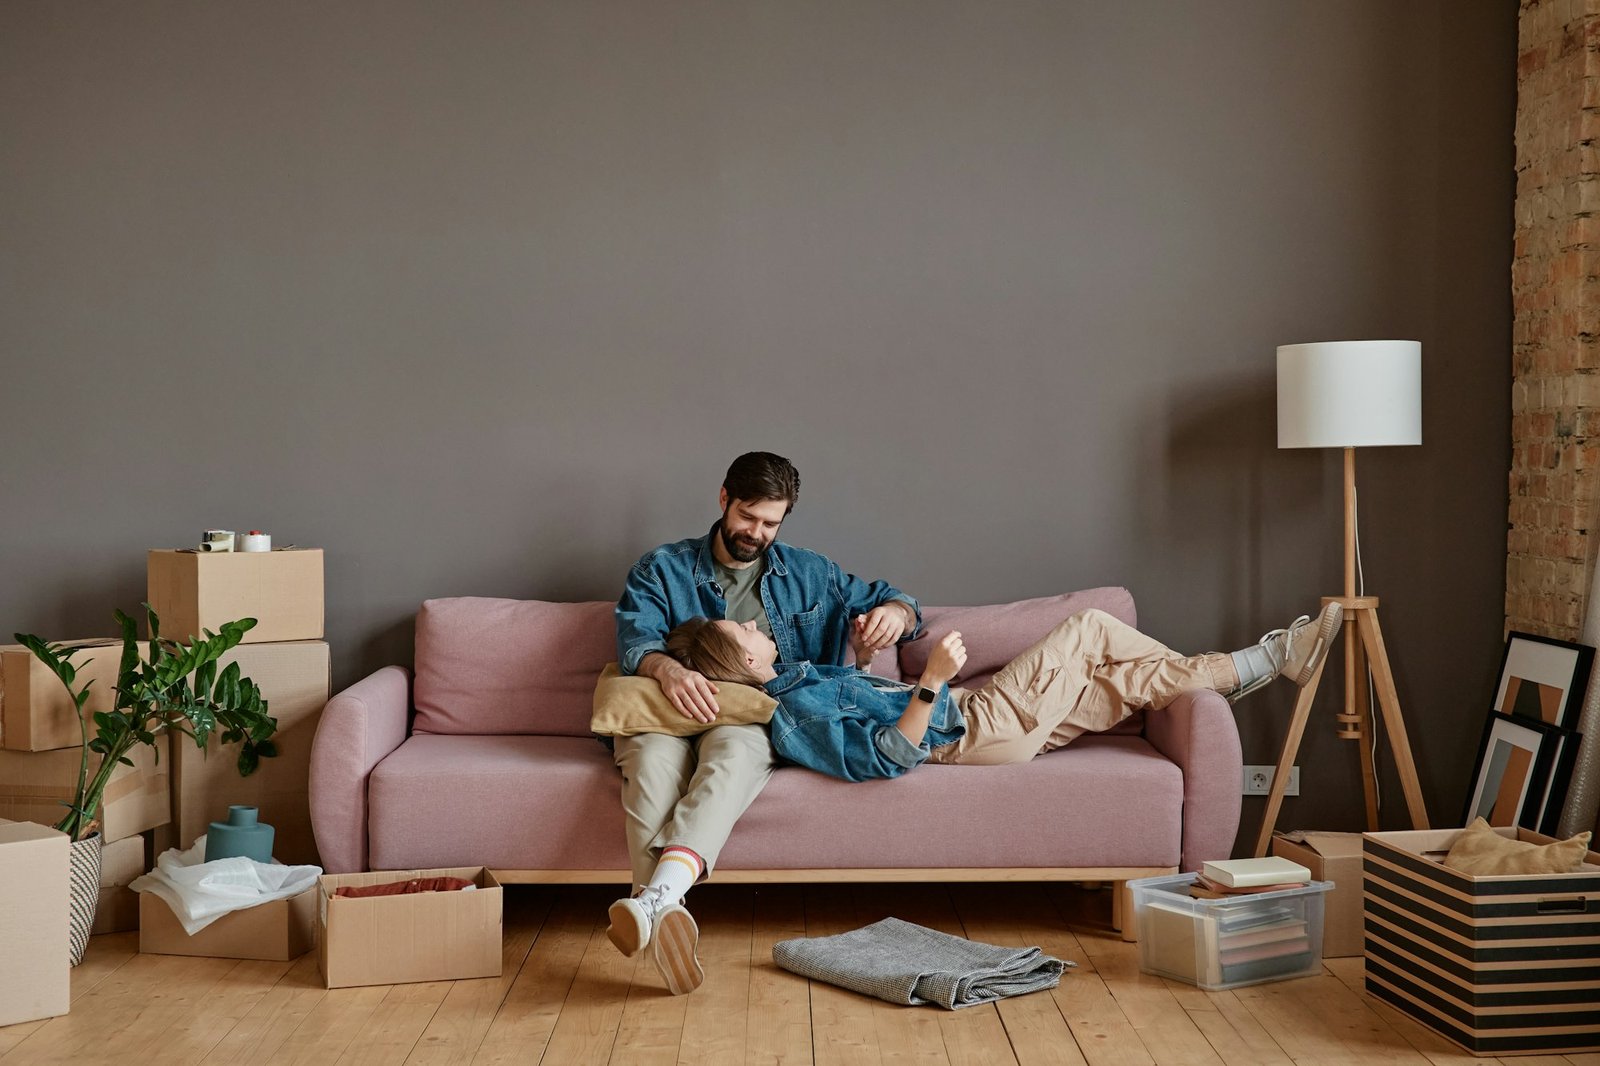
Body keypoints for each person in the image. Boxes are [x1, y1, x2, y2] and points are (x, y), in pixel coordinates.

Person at [609, 451, 921, 994]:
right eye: (747, 517)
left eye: (770, 523)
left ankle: (651, 907)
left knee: (734, 756)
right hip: (669, 710)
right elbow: (637, 640)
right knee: (653, 765)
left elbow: (898, 603)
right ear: (724, 499)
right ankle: (662, 912)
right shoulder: (662, 567)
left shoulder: (811, 573)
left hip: (749, 717)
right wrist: (666, 670)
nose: (755, 532)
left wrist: (896, 614)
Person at [661, 602, 1345, 782]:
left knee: (1125, 678)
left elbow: (863, 702)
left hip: (993, 730)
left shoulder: (801, 681)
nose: (753, 624)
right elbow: (890, 758)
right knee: (1091, 627)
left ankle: (1265, 661)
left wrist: (871, 654)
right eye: (740, 630)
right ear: (737, 660)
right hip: (976, 726)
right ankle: (1259, 661)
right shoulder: (794, 711)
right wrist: (929, 682)